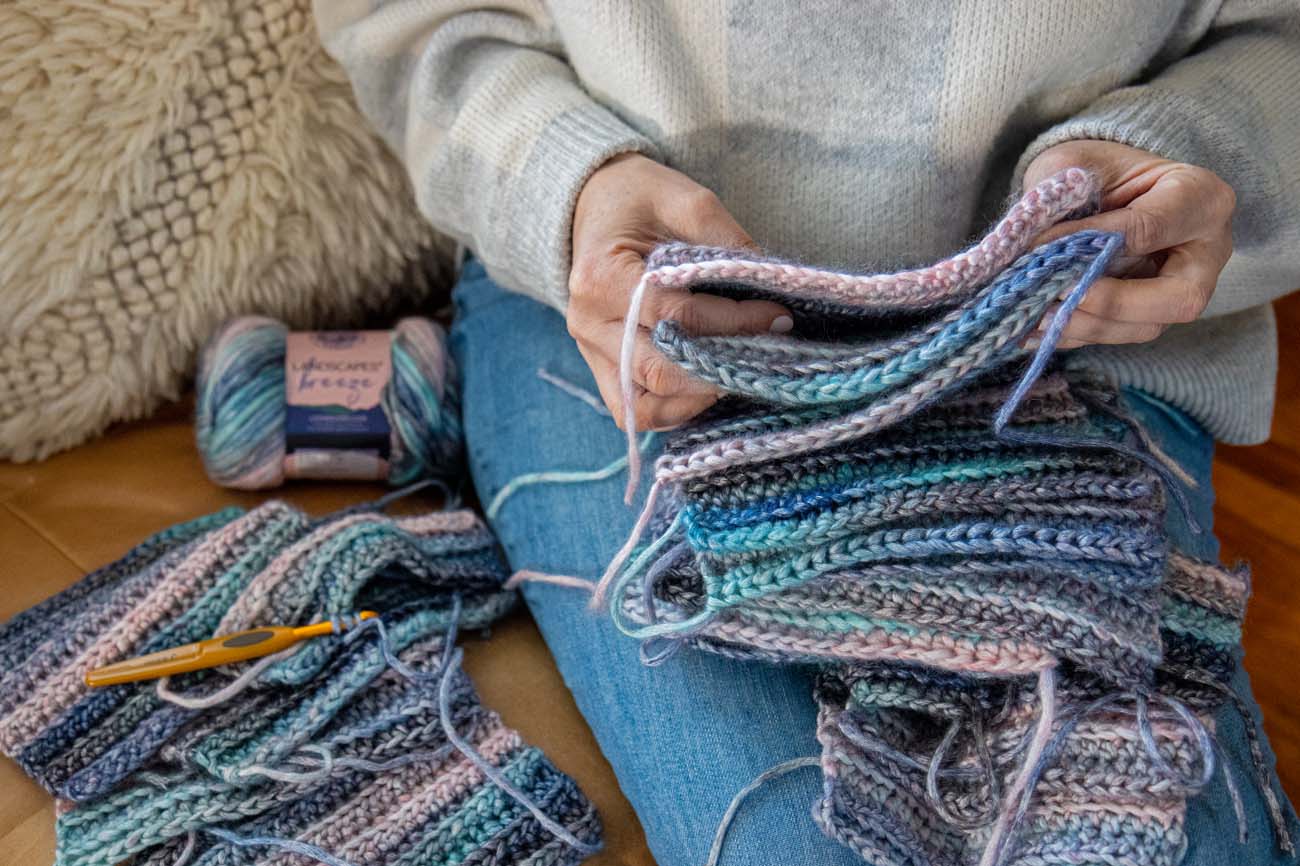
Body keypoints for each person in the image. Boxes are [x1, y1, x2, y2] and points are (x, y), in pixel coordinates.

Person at [316, 3, 1300, 864]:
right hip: (617, 317)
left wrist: (1181, 148)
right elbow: (412, 21)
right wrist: (569, 185)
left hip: (1066, 336)